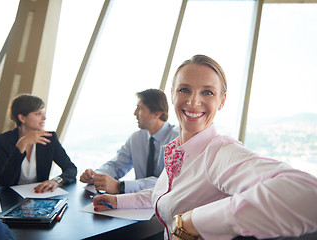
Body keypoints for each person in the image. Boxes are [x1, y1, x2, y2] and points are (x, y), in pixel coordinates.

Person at [92, 55, 317, 240]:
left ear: (221, 101)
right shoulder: (179, 151)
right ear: (172, 94)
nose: (193, 101)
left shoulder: (220, 153)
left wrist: (192, 222)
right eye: (184, 90)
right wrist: (119, 200)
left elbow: (308, 194)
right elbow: (171, 192)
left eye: (207, 92)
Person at [80, 89, 179, 194]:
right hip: (137, 202)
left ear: (157, 114)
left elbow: (166, 182)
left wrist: (120, 186)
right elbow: (116, 165)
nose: (135, 113)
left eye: (140, 108)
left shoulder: (177, 139)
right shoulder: (136, 138)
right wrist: (96, 176)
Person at [0, 93, 77, 193]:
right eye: (38, 114)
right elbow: (5, 182)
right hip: (9, 198)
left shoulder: (49, 139)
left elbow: (71, 169)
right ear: (22, 118)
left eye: (43, 113)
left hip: (38, 195)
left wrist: (56, 181)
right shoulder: (1, 141)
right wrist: (22, 144)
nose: (44, 118)